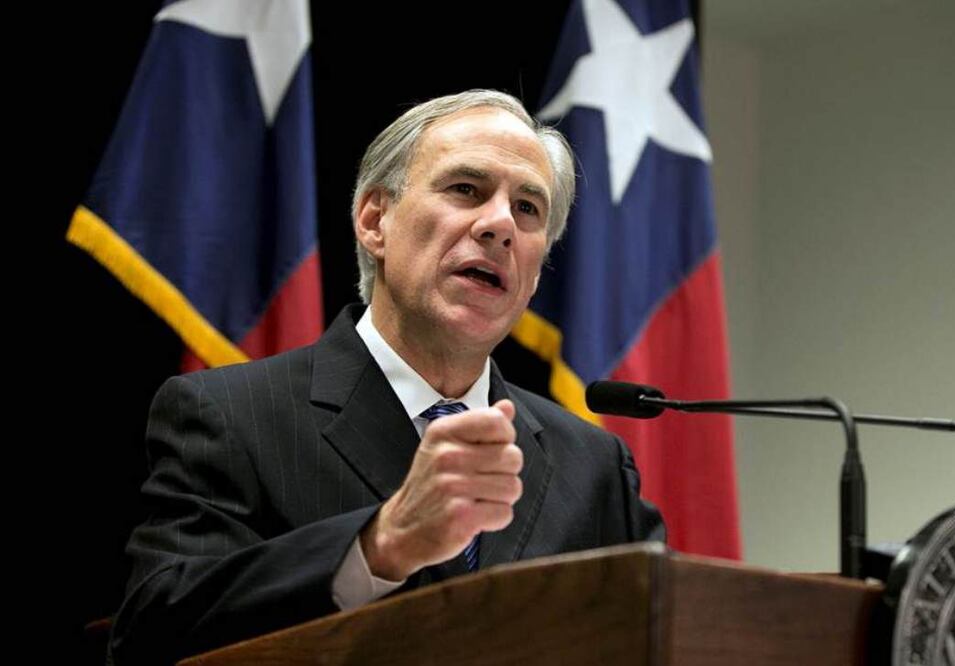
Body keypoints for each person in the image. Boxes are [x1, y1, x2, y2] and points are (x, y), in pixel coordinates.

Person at [109, 89, 665, 664]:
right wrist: (379, 547)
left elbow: (665, 633)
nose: (500, 223)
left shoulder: (594, 465)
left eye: (528, 209)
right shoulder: (228, 415)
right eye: (466, 190)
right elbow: (149, 637)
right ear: (375, 220)